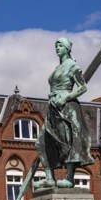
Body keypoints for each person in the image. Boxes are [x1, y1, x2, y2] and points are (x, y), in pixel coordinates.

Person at [34, 37, 94, 189]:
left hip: (66, 108)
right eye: (56, 45)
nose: (57, 48)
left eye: (60, 45)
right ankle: (49, 178)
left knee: (67, 142)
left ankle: (69, 179)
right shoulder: (58, 67)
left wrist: (65, 97)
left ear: (67, 48)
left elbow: (83, 87)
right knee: (41, 142)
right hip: (53, 108)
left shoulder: (73, 66)